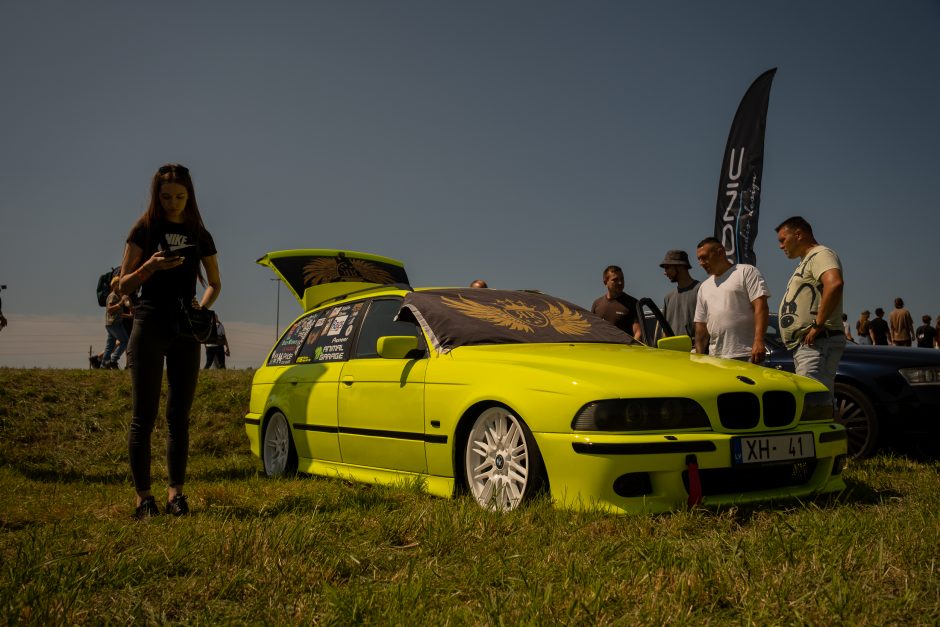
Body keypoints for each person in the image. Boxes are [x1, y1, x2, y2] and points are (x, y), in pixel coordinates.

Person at [119, 164, 220, 520]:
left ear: (189, 195)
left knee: (179, 416)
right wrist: (150, 268)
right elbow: (122, 286)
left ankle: (176, 493)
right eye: (166, 197)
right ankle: (143, 498)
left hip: (184, 331)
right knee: (142, 416)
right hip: (148, 324)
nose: (173, 203)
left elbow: (215, 283)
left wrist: (201, 307)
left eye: (179, 196)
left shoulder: (199, 232)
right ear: (156, 196)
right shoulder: (145, 228)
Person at [775, 216, 846, 408]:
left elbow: (834, 284)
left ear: (798, 234)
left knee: (812, 404)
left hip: (817, 343)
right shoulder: (807, 261)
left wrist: (818, 324)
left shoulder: (820, 254)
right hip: (811, 344)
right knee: (819, 402)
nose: (781, 246)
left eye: (783, 240)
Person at [693, 237, 770, 362]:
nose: (701, 263)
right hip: (716, 359)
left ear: (720, 253)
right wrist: (699, 357)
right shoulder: (704, 287)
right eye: (699, 259)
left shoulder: (746, 272)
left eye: (704, 257)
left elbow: (761, 306)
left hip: (746, 353)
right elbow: (701, 326)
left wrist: (759, 341)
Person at [591, 265, 642, 340]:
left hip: (624, 350)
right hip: (601, 350)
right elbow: (592, 330)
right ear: (605, 282)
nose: (620, 282)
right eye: (615, 280)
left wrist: (630, 350)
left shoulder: (633, 303)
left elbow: (638, 333)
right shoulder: (597, 304)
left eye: (622, 279)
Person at [659, 249, 700, 338]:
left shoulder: (701, 290)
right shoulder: (668, 298)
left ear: (679, 266)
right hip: (673, 351)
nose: (665, 273)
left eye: (667, 268)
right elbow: (665, 332)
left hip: (696, 350)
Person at [101, 276, 129, 369]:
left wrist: (128, 315)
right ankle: (113, 360)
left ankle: (104, 364)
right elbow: (110, 309)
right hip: (114, 323)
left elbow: (116, 312)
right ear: (115, 285)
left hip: (110, 323)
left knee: (110, 345)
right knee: (125, 341)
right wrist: (120, 304)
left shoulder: (117, 295)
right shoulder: (113, 296)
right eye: (119, 284)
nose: (121, 286)